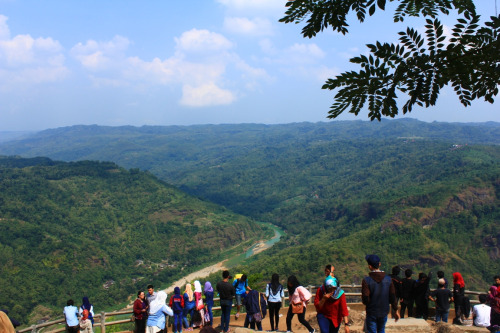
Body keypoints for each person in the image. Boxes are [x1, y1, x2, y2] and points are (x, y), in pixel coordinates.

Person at [361, 254, 399, 333]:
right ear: (379, 264)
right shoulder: (388, 280)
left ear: (370, 266)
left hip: (372, 311)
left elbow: (365, 299)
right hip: (384, 311)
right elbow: (392, 296)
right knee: (382, 330)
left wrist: (370, 304)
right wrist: (396, 310)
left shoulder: (366, 280)